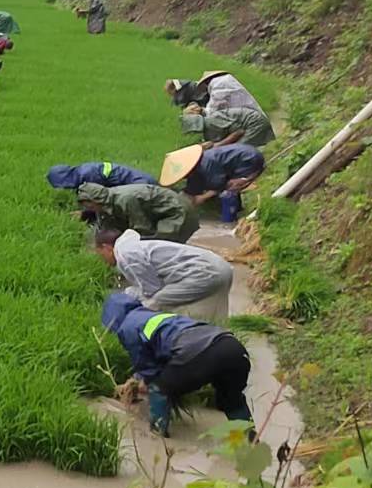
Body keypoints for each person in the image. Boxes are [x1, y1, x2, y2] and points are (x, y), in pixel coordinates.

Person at [101, 292, 252, 438]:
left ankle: (157, 438)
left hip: (200, 354)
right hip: (233, 348)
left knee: (159, 388)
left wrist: (143, 382)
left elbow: (147, 367)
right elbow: (165, 351)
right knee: (232, 401)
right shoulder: (156, 316)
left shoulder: (127, 327)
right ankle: (252, 441)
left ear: (111, 319)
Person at [93, 228, 234, 322]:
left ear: (106, 247)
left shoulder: (126, 254)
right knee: (214, 319)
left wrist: (127, 295)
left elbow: (152, 290)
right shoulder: (137, 246)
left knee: (153, 304)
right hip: (221, 266)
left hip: (205, 274)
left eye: (100, 254)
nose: (102, 260)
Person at [77, 181, 199, 243]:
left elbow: (142, 229)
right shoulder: (105, 203)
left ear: (95, 200)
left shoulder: (125, 200)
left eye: (89, 205)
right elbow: (106, 228)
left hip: (177, 212)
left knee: (158, 245)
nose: (89, 209)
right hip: (161, 213)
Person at [161, 142, 266, 205]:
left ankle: (234, 208)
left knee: (231, 187)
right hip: (244, 152)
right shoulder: (200, 162)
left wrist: (203, 198)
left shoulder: (206, 166)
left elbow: (220, 184)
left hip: (248, 159)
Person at [165, 71, 262, 116]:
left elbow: (212, 109)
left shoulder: (218, 85)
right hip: (250, 113)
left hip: (251, 118)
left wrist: (200, 111)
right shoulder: (225, 80)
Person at [181, 104, 275, 148]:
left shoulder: (211, 121)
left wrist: (218, 145)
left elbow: (239, 131)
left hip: (254, 122)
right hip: (249, 124)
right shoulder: (207, 127)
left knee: (237, 149)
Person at [46, 161, 158, 191]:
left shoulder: (88, 176)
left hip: (142, 186)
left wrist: (86, 214)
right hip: (139, 183)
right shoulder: (82, 173)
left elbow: (102, 199)